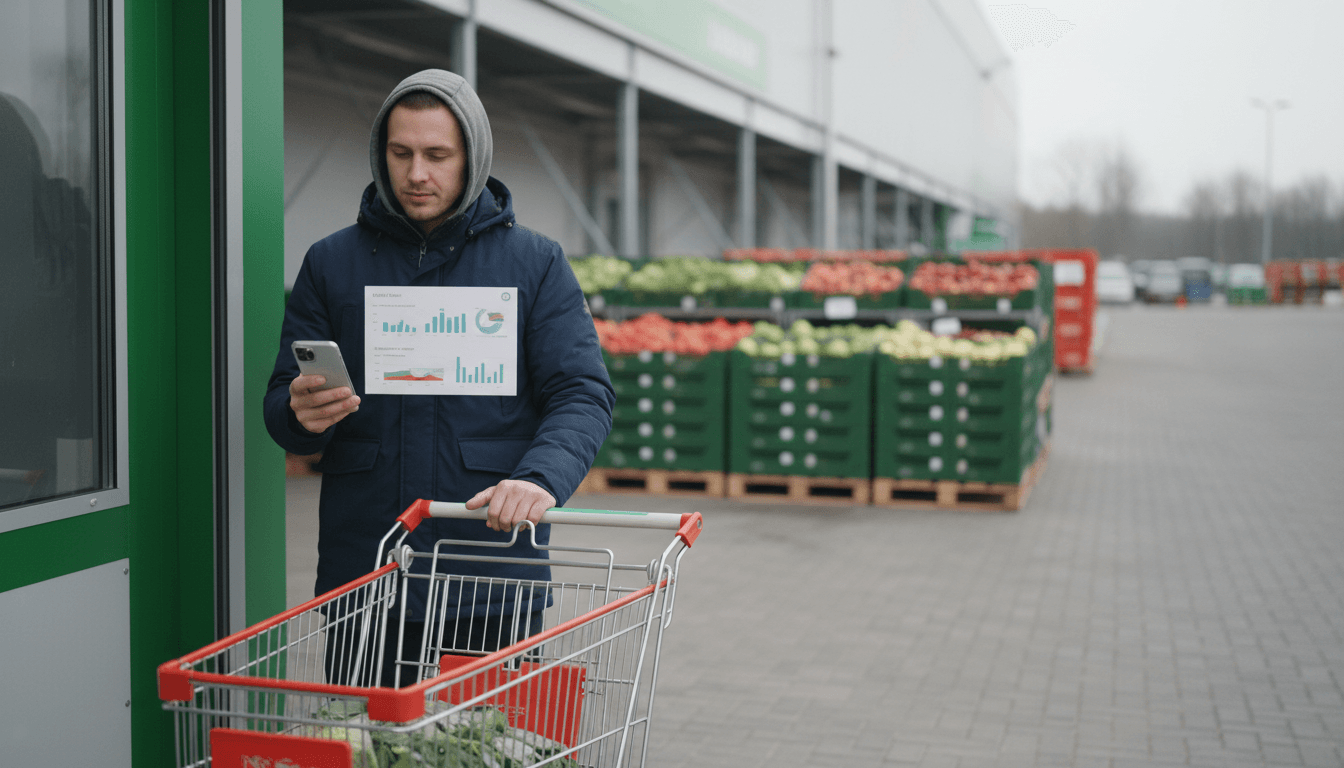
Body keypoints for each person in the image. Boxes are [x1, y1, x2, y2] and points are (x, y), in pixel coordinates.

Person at [264, 69, 614, 686]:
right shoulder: (332, 263)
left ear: (471, 156)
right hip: (366, 574)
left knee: (485, 745)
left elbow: (582, 393)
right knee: (365, 742)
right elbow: (285, 407)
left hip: (489, 569)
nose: (416, 174)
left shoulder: (534, 264)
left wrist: (541, 478)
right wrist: (298, 414)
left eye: (437, 155)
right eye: (400, 154)